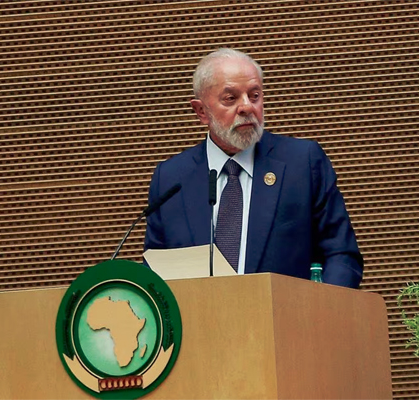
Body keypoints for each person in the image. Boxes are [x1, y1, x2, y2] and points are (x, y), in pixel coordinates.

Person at [144, 48, 363, 288]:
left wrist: (321, 315)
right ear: (201, 111)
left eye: (254, 95)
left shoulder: (302, 163)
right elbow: (156, 272)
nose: (247, 107)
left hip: (286, 321)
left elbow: (342, 256)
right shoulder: (171, 179)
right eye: (231, 98)